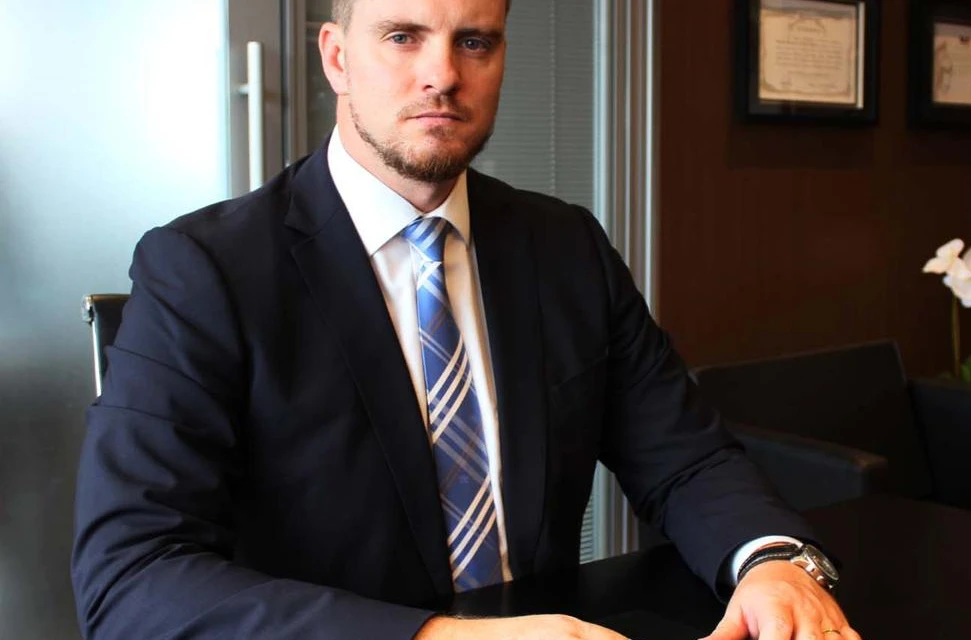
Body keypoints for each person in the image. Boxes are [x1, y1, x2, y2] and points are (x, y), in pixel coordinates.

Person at [70, 1, 860, 639]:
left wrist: (771, 562)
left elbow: (685, 457)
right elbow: (133, 575)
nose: (443, 75)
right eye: (402, 37)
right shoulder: (204, 270)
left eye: (474, 41)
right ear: (337, 57)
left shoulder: (566, 247)